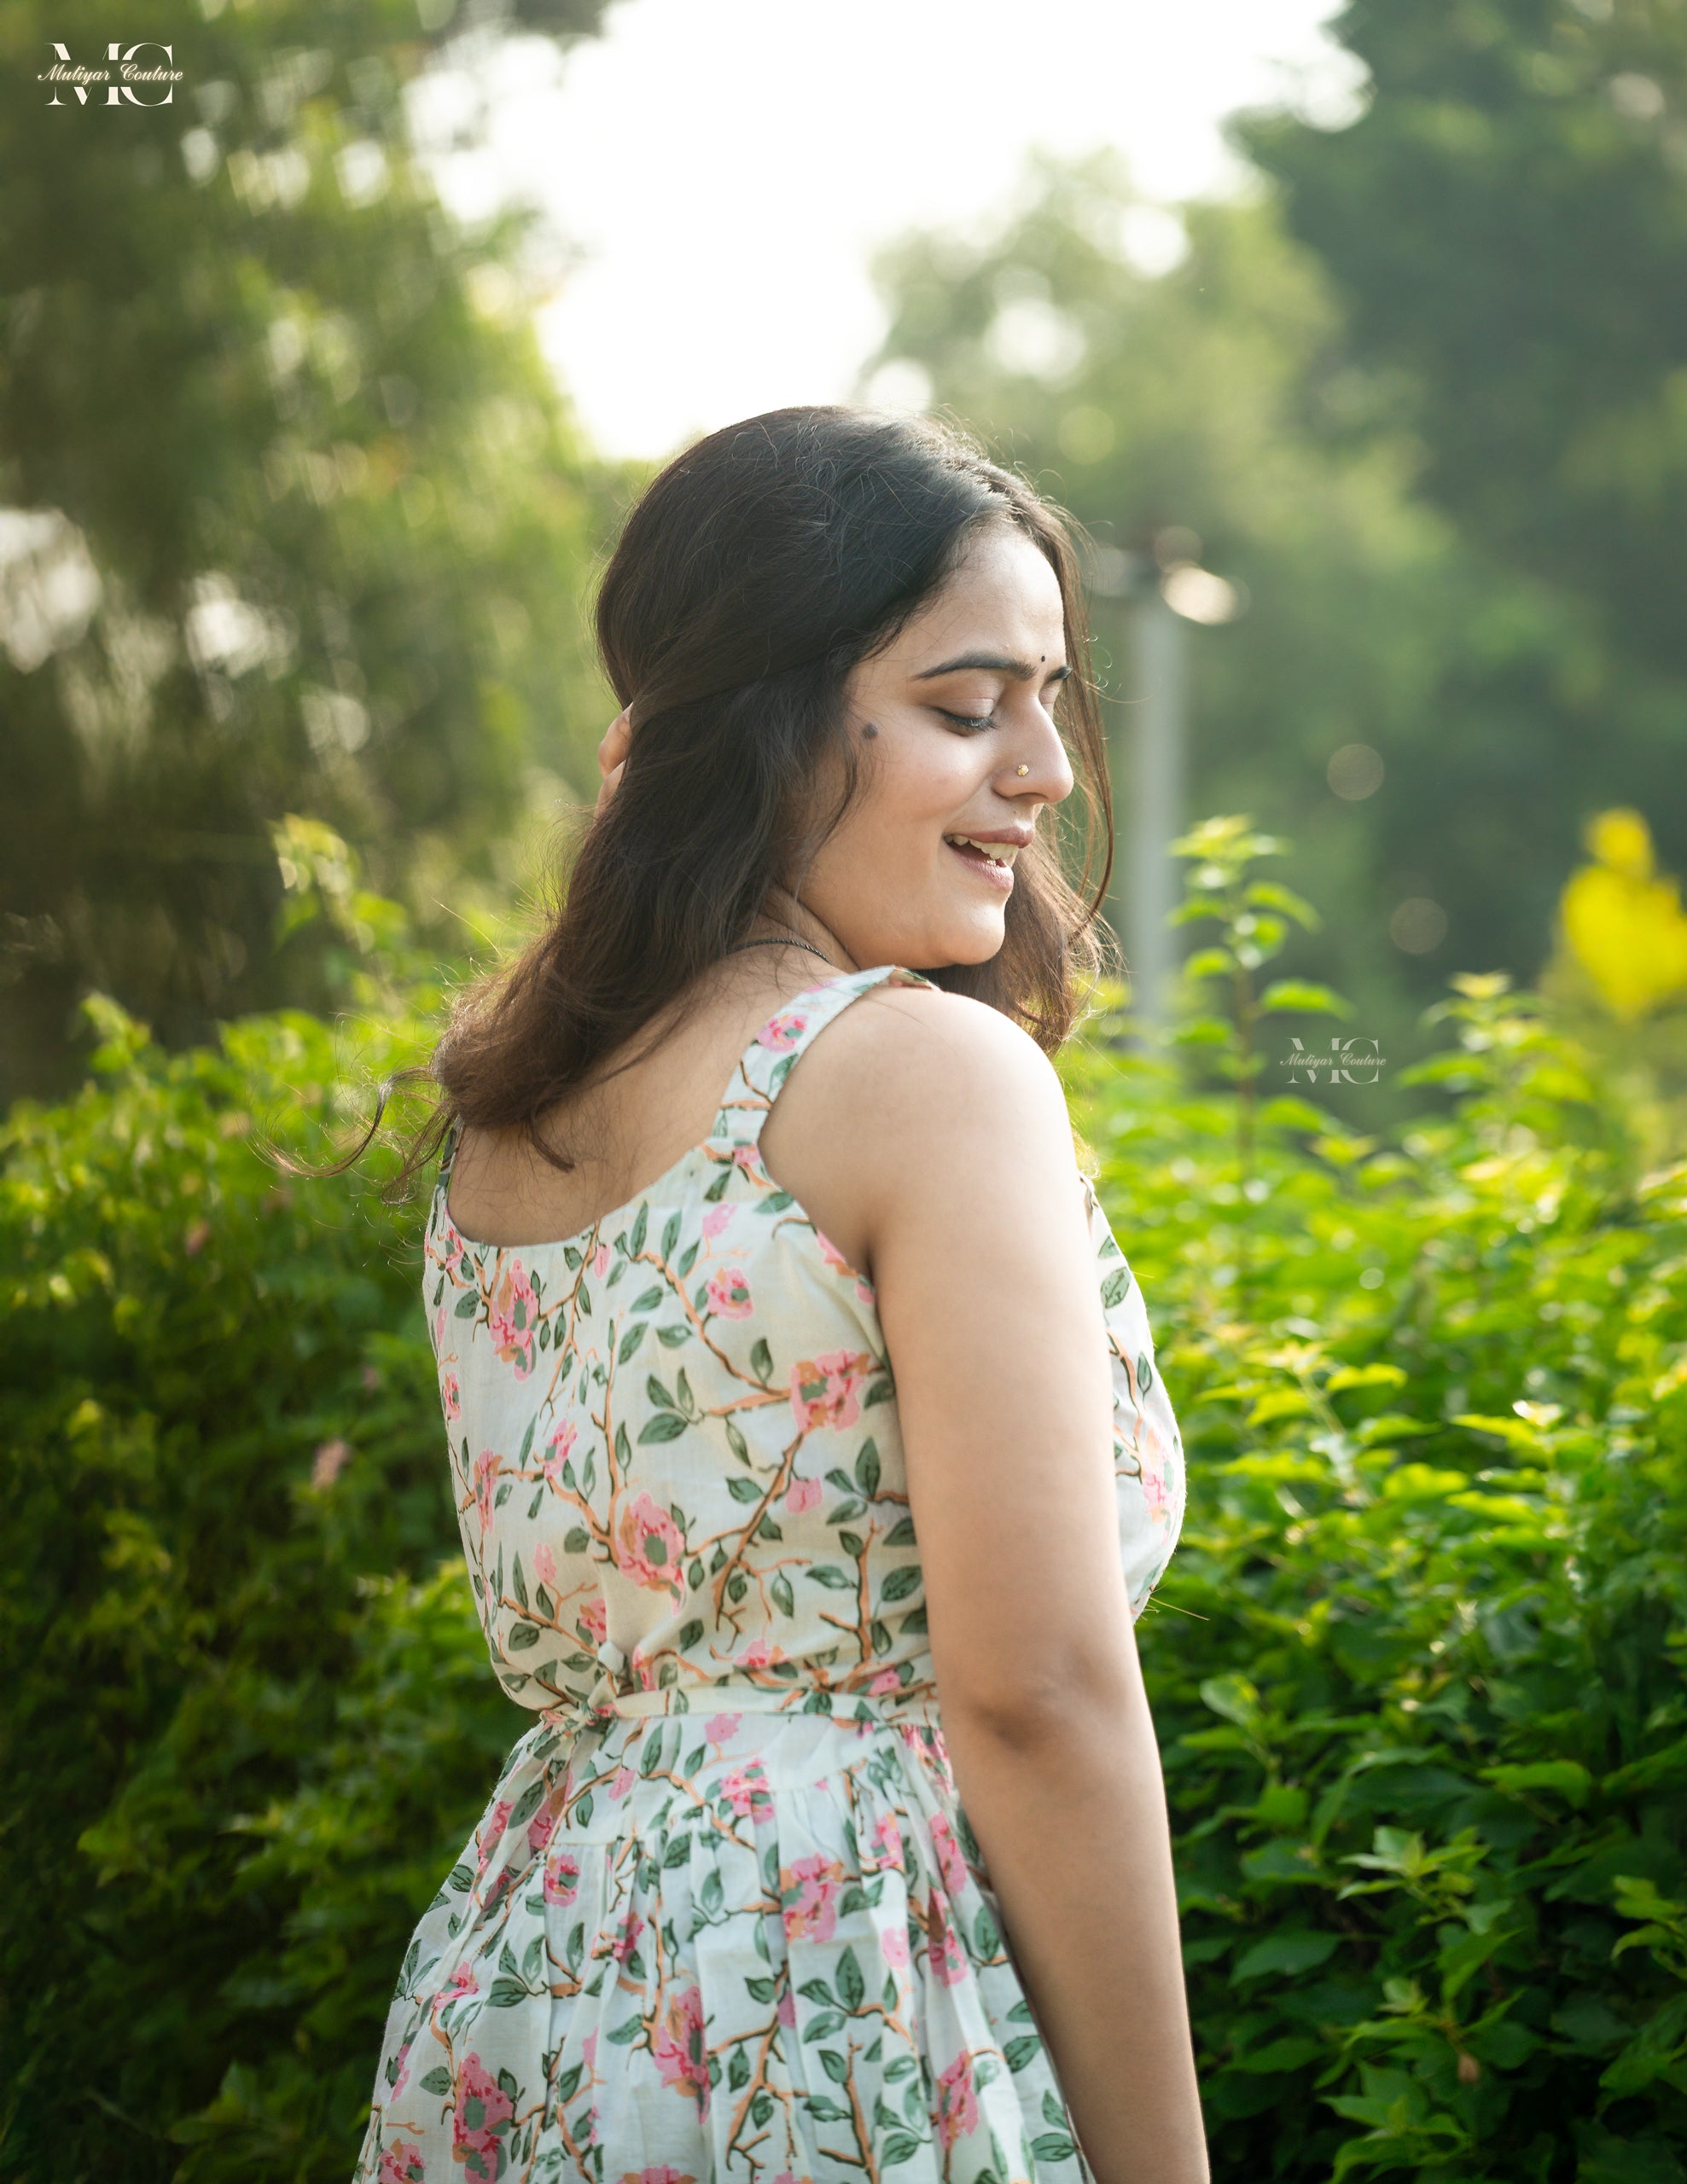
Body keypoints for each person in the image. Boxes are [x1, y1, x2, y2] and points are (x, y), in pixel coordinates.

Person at [354, 408, 1207, 2184]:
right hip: (835, 1999)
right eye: (970, 705)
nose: (1045, 767)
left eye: (1051, 697)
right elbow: (1039, 1688)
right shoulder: (924, 1083)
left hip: (537, 1989)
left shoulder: (511, 1121)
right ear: (768, 716)